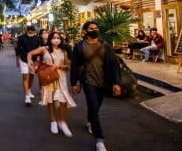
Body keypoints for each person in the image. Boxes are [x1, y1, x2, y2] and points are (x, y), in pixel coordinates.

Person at [70, 21, 119, 151]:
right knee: (93, 105)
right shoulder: (79, 46)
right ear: (85, 31)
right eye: (91, 28)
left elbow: (114, 64)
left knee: (95, 107)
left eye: (96, 28)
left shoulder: (105, 45)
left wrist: (116, 82)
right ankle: (99, 140)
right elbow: (74, 65)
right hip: (87, 80)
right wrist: (73, 83)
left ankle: (90, 121)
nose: (95, 30)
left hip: (103, 81)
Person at [27, 31, 76, 137]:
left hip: (61, 79)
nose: (56, 39)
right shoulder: (44, 49)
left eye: (58, 38)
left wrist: (59, 66)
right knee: (50, 100)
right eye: (54, 37)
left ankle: (62, 122)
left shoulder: (64, 51)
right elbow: (29, 54)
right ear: (50, 39)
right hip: (48, 78)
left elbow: (68, 66)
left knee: (63, 102)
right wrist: (30, 64)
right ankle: (53, 122)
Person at [15, 25, 40, 105]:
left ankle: (29, 90)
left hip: (33, 60)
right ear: (27, 31)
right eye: (30, 32)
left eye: (33, 32)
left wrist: (38, 60)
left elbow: (39, 49)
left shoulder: (37, 38)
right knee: (25, 76)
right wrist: (17, 60)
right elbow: (18, 48)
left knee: (32, 76)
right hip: (23, 59)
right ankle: (27, 96)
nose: (31, 33)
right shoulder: (22, 37)